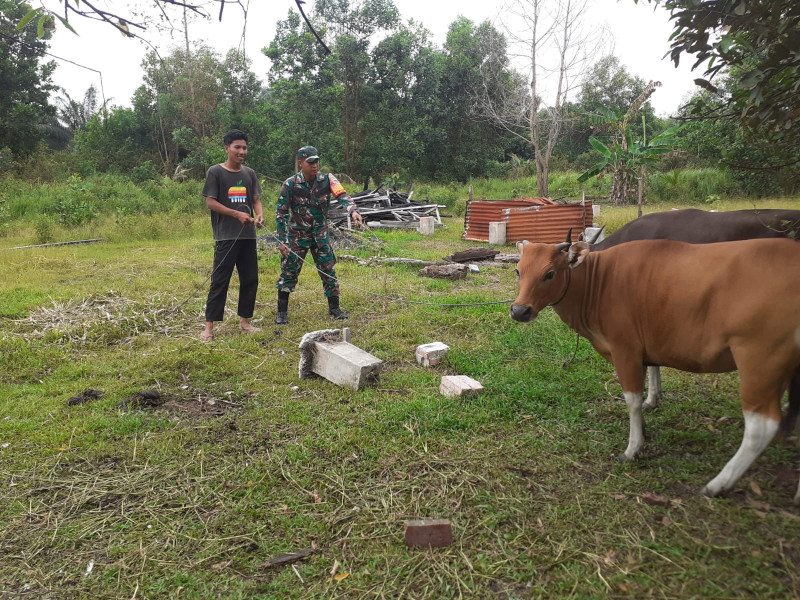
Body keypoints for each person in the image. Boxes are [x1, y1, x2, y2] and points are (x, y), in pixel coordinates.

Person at [275, 146, 363, 324]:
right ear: (300, 163)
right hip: (297, 236)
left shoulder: (328, 179)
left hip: (320, 234)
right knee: (289, 271)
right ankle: (282, 312)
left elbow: (343, 195)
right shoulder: (290, 184)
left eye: (316, 161)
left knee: (328, 269)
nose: (314, 165)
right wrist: (283, 241)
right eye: (310, 162)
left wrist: (353, 210)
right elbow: (281, 214)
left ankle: (334, 308)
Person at [199, 130, 264, 341]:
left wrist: (260, 215)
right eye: (237, 147)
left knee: (250, 279)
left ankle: (245, 321)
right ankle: (208, 327)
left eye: (244, 147)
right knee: (220, 280)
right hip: (226, 237)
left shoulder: (249, 173)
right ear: (227, 148)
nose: (242, 151)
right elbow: (210, 202)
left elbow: (255, 199)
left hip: (248, 236)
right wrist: (236, 214)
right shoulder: (216, 172)